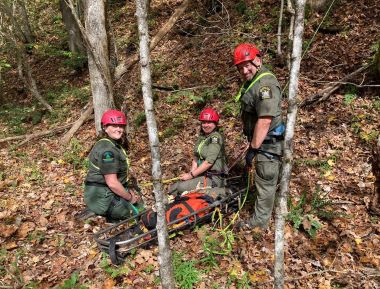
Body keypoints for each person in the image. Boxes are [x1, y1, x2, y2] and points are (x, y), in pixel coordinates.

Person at [233, 43, 284, 229]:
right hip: (261, 141)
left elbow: (264, 120)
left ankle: (258, 225)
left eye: (247, 65)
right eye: (240, 67)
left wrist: (254, 149)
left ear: (258, 60)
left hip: (268, 146)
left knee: (265, 182)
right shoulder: (254, 82)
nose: (244, 70)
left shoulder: (265, 85)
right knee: (263, 181)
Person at [84, 109, 143, 222]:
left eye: (120, 126)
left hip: (106, 192)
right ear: (105, 128)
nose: (118, 129)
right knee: (139, 214)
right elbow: (112, 183)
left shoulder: (111, 144)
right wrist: (130, 198)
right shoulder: (107, 151)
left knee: (140, 206)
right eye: (114, 126)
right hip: (102, 196)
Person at [169, 108, 228, 196]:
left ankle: (222, 192)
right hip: (201, 174)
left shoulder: (215, 138)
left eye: (209, 122)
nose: (206, 125)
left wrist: (191, 176)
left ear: (215, 124)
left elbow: (208, 162)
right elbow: (196, 158)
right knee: (174, 186)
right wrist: (191, 174)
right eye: (204, 122)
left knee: (180, 187)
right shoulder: (202, 138)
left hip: (214, 177)